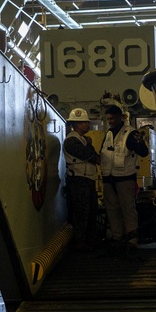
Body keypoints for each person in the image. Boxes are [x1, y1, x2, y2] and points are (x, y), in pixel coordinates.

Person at [100, 104, 149, 248]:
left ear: (120, 117)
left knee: (128, 209)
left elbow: (143, 152)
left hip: (125, 177)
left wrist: (139, 143)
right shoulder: (108, 134)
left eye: (112, 118)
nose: (110, 121)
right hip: (108, 178)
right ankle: (118, 238)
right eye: (108, 119)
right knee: (112, 209)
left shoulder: (130, 133)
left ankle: (131, 240)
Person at [63, 107, 100, 250]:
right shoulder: (71, 141)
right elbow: (89, 156)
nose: (88, 124)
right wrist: (89, 145)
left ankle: (89, 240)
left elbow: (95, 157)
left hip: (87, 180)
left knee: (90, 212)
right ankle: (80, 242)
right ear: (78, 124)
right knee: (81, 213)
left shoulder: (82, 140)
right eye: (85, 122)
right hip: (78, 181)